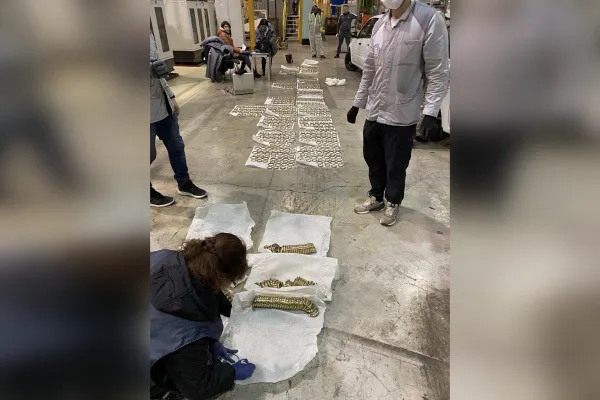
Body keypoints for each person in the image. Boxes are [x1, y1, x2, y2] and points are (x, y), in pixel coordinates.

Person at [346, 0, 449, 226]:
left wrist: (431, 112)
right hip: (375, 109)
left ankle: (393, 201)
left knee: (396, 163)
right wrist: (358, 103)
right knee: (373, 157)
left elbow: (438, 72)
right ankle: (376, 196)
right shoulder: (380, 24)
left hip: (402, 111)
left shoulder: (429, 19)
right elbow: (369, 70)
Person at [150, 233, 256, 400]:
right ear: (223, 280)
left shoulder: (166, 256)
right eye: (232, 282)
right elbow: (197, 388)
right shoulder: (188, 331)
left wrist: (211, 342)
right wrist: (231, 372)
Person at [151, 32, 207, 207]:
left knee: (176, 146)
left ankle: (184, 183)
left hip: (162, 106)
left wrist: (171, 96)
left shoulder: (149, 36)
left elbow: (158, 72)